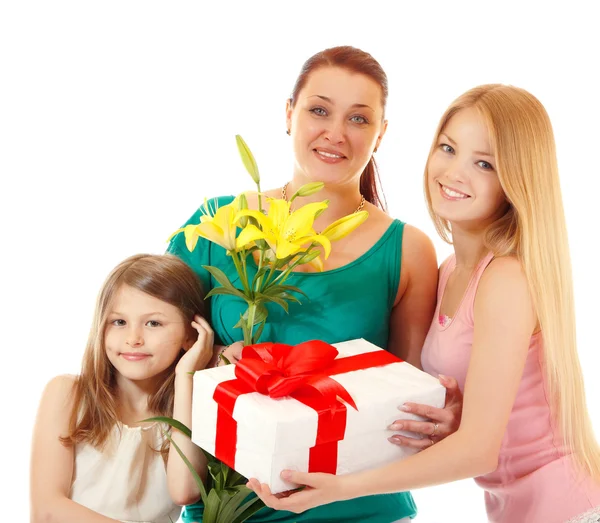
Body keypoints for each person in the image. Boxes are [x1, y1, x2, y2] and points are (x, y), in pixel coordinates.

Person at [247, 84, 600, 522]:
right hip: (516, 508)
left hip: (567, 504)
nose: (454, 172)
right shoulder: (452, 268)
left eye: (485, 163)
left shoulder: (506, 278)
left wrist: (340, 488)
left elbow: (477, 452)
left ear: (516, 181)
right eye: (448, 148)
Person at [167, 45, 462, 523]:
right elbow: (149, 358)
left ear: (381, 134)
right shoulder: (216, 222)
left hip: (359, 508)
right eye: (319, 110)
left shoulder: (407, 249)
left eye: (359, 119)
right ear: (289, 114)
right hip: (229, 505)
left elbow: (407, 392)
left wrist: (441, 420)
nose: (336, 133)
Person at [30, 254, 224, 523]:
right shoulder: (68, 394)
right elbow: (48, 510)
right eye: (119, 322)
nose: (133, 339)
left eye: (153, 323)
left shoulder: (184, 411)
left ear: (191, 334)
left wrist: (186, 375)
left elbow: (185, 491)